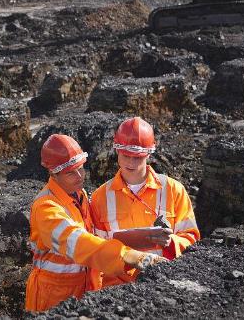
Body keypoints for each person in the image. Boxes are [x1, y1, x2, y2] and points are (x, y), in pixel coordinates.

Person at [25, 133, 166, 312]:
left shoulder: (79, 194)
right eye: (70, 173)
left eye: (81, 168)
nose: (79, 176)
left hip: (84, 290)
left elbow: (93, 236)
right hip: (52, 296)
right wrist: (127, 256)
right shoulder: (46, 208)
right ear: (53, 174)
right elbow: (76, 241)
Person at [90, 117, 200, 289]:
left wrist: (171, 242)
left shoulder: (173, 190)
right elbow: (97, 249)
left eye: (138, 157)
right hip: (118, 287)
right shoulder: (100, 197)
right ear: (117, 150)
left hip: (164, 281)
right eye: (126, 155)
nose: (130, 162)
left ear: (149, 153)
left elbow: (191, 239)